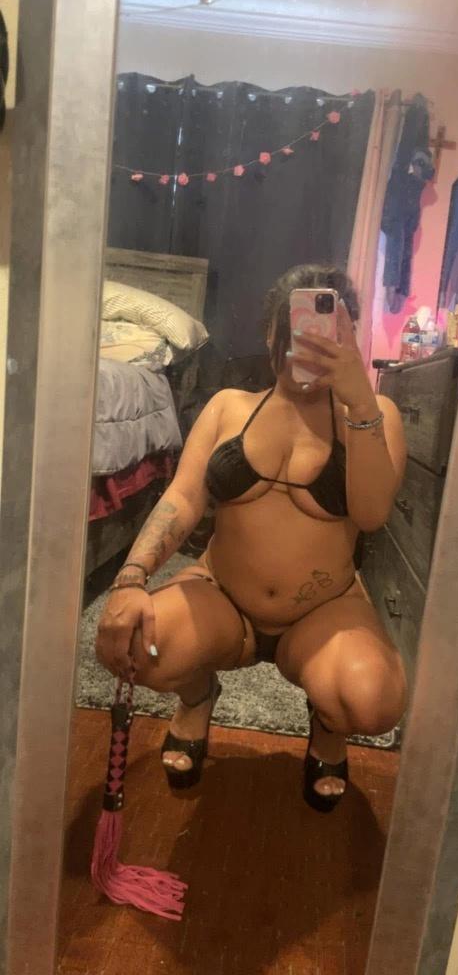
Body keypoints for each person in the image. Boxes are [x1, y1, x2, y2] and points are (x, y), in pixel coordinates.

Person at [96, 264, 408, 812]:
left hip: (322, 611)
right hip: (223, 598)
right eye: (294, 330)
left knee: (371, 701)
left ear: (349, 334)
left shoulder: (375, 415)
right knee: (131, 647)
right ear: (270, 334)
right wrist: (131, 578)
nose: (308, 344)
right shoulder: (228, 407)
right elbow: (182, 498)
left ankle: (328, 728)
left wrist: (360, 403)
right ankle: (197, 698)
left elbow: (371, 514)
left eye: (329, 330)